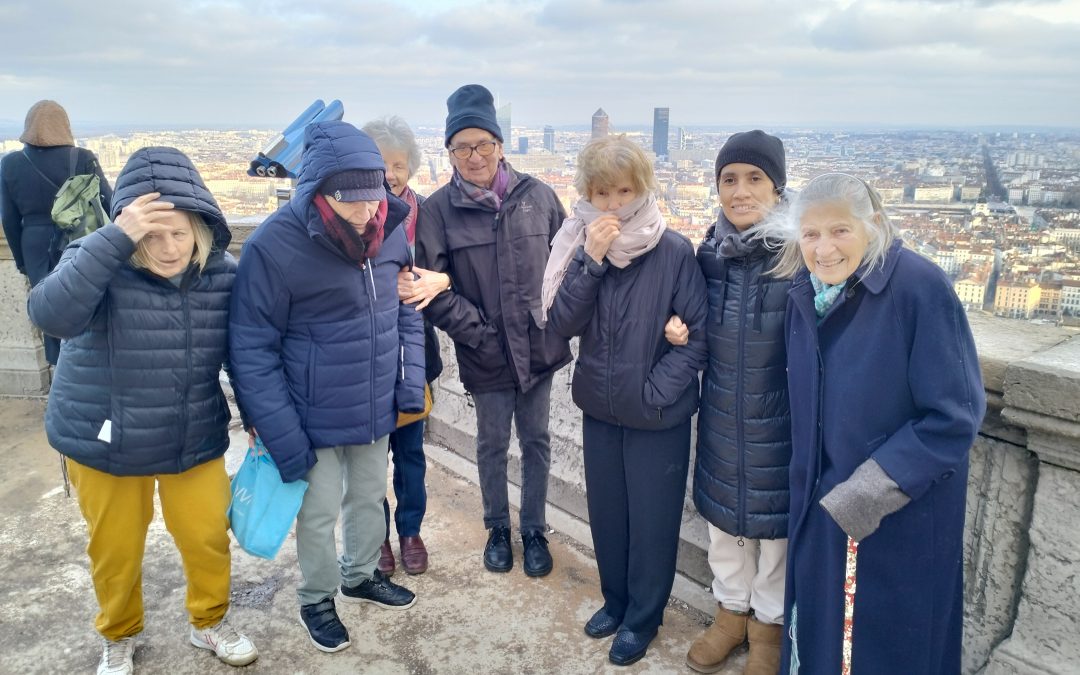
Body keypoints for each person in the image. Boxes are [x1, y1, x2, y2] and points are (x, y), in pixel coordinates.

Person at [27, 147, 257, 675]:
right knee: (115, 548)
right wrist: (114, 239)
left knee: (206, 536)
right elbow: (50, 315)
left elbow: (248, 355)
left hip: (190, 431)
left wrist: (261, 422)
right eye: (152, 233)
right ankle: (119, 632)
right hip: (102, 435)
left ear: (200, 226)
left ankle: (210, 621)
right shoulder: (95, 258)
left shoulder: (223, 274)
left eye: (179, 231)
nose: (169, 246)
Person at [758, 173, 984, 673]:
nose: (823, 248)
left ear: (873, 225)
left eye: (840, 230)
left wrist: (864, 494)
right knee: (821, 640)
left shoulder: (919, 287)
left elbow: (955, 416)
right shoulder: (805, 291)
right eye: (811, 234)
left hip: (893, 517)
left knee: (885, 649)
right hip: (820, 510)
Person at [229, 120, 425, 654]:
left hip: (372, 397)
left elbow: (406, 311)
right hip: (307, 408)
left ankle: (359, 575)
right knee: (316, 513)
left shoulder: (389, 228)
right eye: (353, 202)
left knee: (367, 497)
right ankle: (317, 596)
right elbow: (251, 346)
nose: (368, 213)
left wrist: (411, 383)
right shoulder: (274, 245)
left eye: (374, 197)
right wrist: (274, 426)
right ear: (319, 194)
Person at [543, 136, 708, 666]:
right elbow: (561, 322)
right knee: (608, 515)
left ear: (642, 190)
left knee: (653, 523)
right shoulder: (580, 245)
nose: (613, 204)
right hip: (600, 407)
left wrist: (652, 393)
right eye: (602, 192)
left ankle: (643, 618)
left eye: (623, 191)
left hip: (656, 416)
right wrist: (590, 262)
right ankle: (615, 602)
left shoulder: (675, 252)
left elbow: (698, 338)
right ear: (587, 193)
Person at [416, 84, 571, 577]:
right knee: (490, 445)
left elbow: (566, 267)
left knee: (537, 442)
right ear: (450, 154)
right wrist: (480, 334)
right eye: (462, 147)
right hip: (485, 352)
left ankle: (534, 529)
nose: (475, 155)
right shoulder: (439, 211)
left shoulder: (539, 197)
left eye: (483, 144)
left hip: (539, 347)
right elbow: (430, 288)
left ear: (501, 146)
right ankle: (497, 528)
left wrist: (552, 322)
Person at [668, 130, 792, 674]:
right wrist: (677, 330)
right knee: (725, 528)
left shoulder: (800, 258)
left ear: (778, 189)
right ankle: (729, 617)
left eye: (755, 179)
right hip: (721, 416)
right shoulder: (708, 256)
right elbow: (693, 323)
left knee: (776, 538)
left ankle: (767, 631)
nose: (740, 191)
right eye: (729, 179)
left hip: (780, 424)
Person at [361, 115, 446, 576]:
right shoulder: (350, 217)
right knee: (370, 459)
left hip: (414, 351)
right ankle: (378, 539)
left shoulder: (427, 212)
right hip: (365, 354)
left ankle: (410, 531)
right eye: (379, 163)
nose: (389, 174)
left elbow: (446, 269)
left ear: (410, 166)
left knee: (411, 454)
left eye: (397, 164)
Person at [2, 100, 113, 365]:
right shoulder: (82, 158)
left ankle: (58, 374)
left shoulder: (11, 163)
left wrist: (21, 261)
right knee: (87, 305)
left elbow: (8, 219)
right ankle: (87, 371)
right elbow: (109, 202)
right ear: (65, 126)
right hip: (78, 239)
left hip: (34, 247)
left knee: (50, 311)